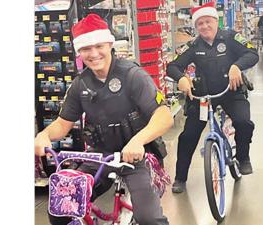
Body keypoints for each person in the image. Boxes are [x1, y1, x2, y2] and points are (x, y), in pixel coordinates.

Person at [34, 13, 173, 225]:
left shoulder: (133, 75)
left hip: (137, 158)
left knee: (149, 218)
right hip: (99, 157)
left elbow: (163, 116)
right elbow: (63, 124)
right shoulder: (80, 85)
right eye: (86, 49)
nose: (94, 53)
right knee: (62, 207)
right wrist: (43, 135)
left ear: (110, 44)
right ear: (79, 52)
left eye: (99, 46)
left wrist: (138, 141)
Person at [166, 2, 259, 193]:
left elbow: (252, 53)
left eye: (208, 22)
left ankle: (243, 158)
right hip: (203, 96)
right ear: (196, 27)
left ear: (216, 21)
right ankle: (180, 178)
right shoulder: (193, 46)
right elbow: (172, 66)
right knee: (188, 136)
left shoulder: (232, 37)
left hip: (231, 92)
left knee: (244, 122)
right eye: (200, 24)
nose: (205, 26)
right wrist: (181, 78)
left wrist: (237, 66)